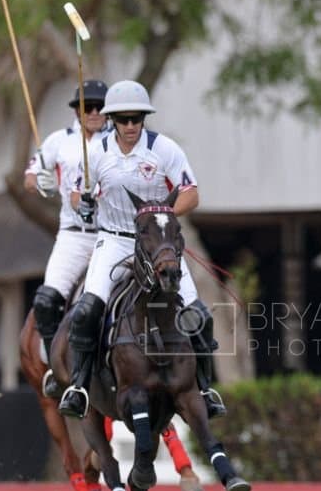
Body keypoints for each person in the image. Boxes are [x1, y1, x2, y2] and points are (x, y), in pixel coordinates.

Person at [57, 79, 226, 421]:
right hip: (114, 239)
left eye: (137, 119)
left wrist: (160, 218)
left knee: (199, 316)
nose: (131, 126)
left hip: (156, 243)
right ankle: (78, 386)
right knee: (87, 310)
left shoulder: (164, 149)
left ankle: (206, 388)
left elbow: (191, 193)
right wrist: (84, 204)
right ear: (111, 120)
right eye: (123, 119)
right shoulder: (97, 152)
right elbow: (77, 194)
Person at [24, 79, 111, 399]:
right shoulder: (59, 141)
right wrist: (41, 181)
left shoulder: (119, 142)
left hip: (111, 235)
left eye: (102, 107)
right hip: (73, 237)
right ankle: (56, 369)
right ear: (77, 110)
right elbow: (31, 177)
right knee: (46, 301)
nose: (96, 113)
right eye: (89, 106)